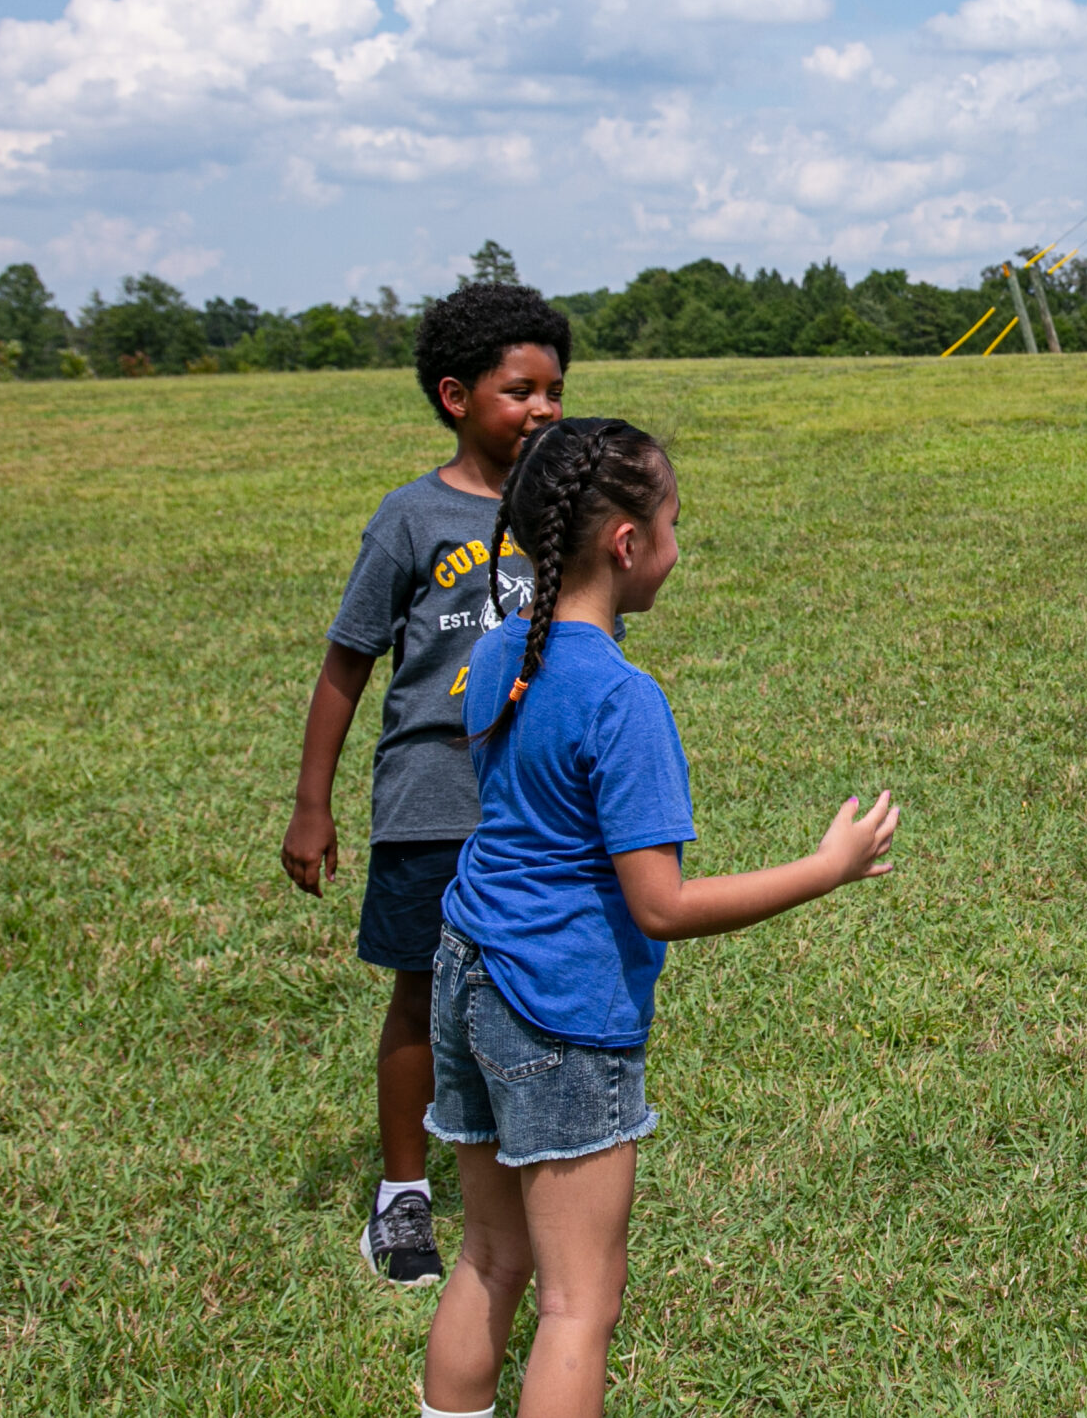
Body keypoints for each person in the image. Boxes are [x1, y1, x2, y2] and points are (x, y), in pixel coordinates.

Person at [417, 417, 897, 1418]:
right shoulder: (623, 700)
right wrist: (826, 868)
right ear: (628, 545)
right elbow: (661, 906)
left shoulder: (504, 647)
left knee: (491, 1259)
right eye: (675, 524)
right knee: (577, 1307)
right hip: (557, 1007)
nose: (680, 545)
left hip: (464, 976)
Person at [278, 280, 572, 1287]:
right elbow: (345, 664)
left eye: (553, 391)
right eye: (518, 390)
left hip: (533, 806)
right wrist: (312, 804)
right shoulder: (410, 519)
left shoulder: (563, 513)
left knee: (531, 989)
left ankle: (530, 1169)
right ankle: (402, 1201)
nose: (541, 409)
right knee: (421, 997)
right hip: (430, 800)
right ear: (455, 396)